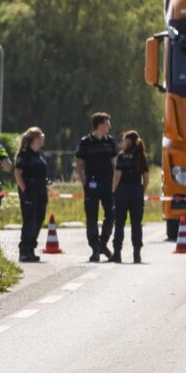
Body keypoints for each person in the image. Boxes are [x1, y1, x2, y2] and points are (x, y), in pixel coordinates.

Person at [75, 112, 118, 262]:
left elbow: (115, 164)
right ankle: (95, 249)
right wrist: (83, 181)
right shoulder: (85, 142)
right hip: (92, 184)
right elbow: (79, 165)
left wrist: (116, 183)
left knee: (111, 215)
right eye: (107, 123)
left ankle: (102, 243)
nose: (109, 126)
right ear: (100, 124)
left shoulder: (110, 142)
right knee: (92, 217)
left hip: (108, 184)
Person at [110, 130, 150, 264]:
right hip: (136, 192)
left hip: (122, 192)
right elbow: (146, 178)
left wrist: (113, 191)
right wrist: (141, 191)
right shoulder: (141, 156)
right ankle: (136, 254)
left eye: (124, 140)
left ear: (129, 141)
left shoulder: (122, 156)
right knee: (136, 224)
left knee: (119, 223)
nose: (122, 142)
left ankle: (117, 253)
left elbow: (117, 176)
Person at [15, 127, 49, 262]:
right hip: (30, 191)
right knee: (29, 221)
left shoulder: (39, 154)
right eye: (41, 136)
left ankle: (31, 248)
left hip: (41, 191)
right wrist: (24, 190)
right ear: (34, 139)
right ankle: (24, 250)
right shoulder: (24, 154)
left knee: (39, 219)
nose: (43, 138)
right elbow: (18, 173)